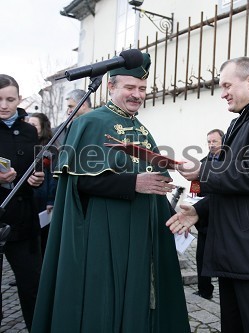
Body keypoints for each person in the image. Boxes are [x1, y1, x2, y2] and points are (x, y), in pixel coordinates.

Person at [31, 53, 190, 333]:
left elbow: (153, 183)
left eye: (142, 89)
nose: (137, 95)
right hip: (105, 232)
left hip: (141, 233)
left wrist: (173, 218)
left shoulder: (141, 129)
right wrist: (132, 184)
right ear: (110, 87)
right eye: (130, 88)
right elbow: (80, 184)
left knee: (140, 300)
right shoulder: (90, 123)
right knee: (104, 302)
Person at [167, 56, 249, 332]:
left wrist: (203, 171)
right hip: (237, 256)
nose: (223, 93)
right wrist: (199, 211)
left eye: (227, 85)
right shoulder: (240, 122)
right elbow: (232, 185)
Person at [0, 74, 45, 331]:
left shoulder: (29, 130)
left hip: (23, 218)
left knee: (31, 284)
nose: (4, 105)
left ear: (19, 99)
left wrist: (36, 178)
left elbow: (34, 166)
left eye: (10, 99)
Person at [192, 128, 225, 300]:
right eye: (209, 142)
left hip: (224, 219)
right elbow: (195, 189)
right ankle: (204, 289)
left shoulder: (230, 162)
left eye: (215, 141)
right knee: (201, 256)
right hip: (205, 218)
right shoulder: (202, 162)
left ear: (223, 142)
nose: (211, 145)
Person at [27, 113, 58, 258]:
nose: (30, 127)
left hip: (43, 198)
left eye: (34, 125)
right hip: (28, 197)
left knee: (43, 238)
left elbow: (53, 176)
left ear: (42, 128)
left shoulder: (50, 149)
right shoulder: (26, 144)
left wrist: (51, 200)